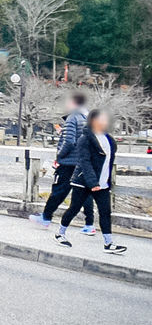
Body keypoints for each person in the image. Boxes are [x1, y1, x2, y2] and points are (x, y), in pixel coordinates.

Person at [55, 109, 126, 254]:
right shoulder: (85, 139)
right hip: (83, 181)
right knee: (74, 208)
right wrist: (93, 183)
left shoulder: (107, 138)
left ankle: (108, 243)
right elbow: (84, 162)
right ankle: (60, 233)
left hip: (103, 183)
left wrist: (104, 181)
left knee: (105, 212)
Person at [30, 93, 94, 232]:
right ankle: (89, 224)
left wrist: (59, 156)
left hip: (69, 162)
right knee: (84, 192)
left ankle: (46, 217)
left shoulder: (72, 118)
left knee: (59, 190)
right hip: (83, 161)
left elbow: (69, 142)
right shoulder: (87, 117)